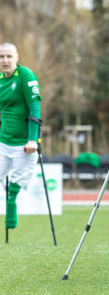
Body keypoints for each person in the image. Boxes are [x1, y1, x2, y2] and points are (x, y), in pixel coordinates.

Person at [0, 43, 42, 230]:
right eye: (1, 57)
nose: (5, 60)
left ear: (17, 57)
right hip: (3, 141)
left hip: (24, 143)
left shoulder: (26, 76)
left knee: (18, 180)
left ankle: (12, 199)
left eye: (9, 56)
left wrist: (33, 139)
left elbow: (35, 108)